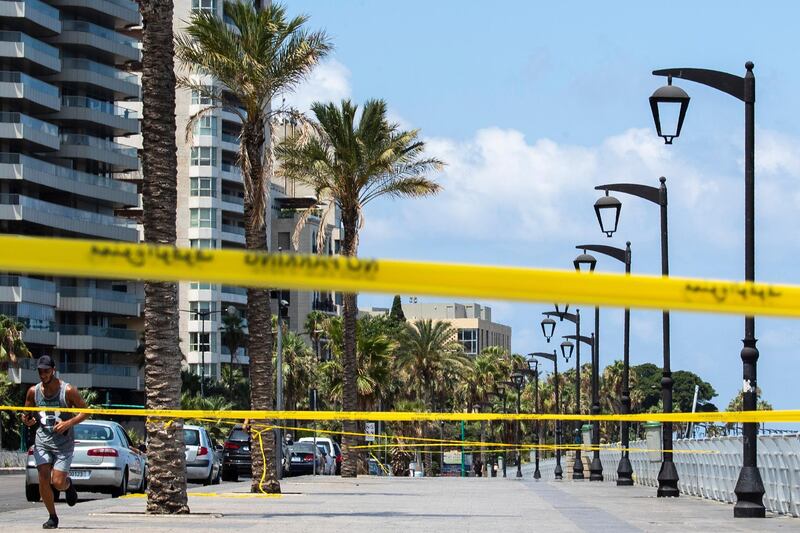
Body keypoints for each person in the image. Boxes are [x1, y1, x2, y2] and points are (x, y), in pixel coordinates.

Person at [22, 355, 89, 530]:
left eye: (46, 371)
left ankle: (68, 486)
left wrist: (69, 422)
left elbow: (86, 412)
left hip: (63, 443)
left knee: (57, 482)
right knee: (43, 478)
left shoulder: (68, 391)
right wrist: (26, 419)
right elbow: (26, 412)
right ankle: (52, 516)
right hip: (42, 440)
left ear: (53, 370)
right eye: (40, 371)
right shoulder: (33, 391)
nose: (42, 374)